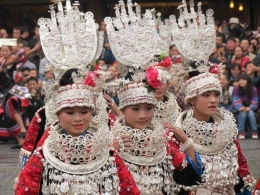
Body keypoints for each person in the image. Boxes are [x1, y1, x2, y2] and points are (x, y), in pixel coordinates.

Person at [172, 1, 255, 194]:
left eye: (216, 94)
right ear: (191, 99)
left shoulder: (226, 129)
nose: (213, 100)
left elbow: (242, 173)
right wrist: (187, 143)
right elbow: (180, 179)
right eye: (206, 95)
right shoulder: (176, 133)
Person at [232, 73, 259, 139]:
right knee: (243, 112)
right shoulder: (236, 89)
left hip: (251, 108)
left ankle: (254, 132)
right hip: (240, 110)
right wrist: (240, 107)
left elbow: (255, 100)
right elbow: (235, 99)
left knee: (251, 113)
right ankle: (241, 132)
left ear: (248, 81)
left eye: (243, 80)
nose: (241, 82)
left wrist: (250, 107)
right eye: (240, 80)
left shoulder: (254, 89)